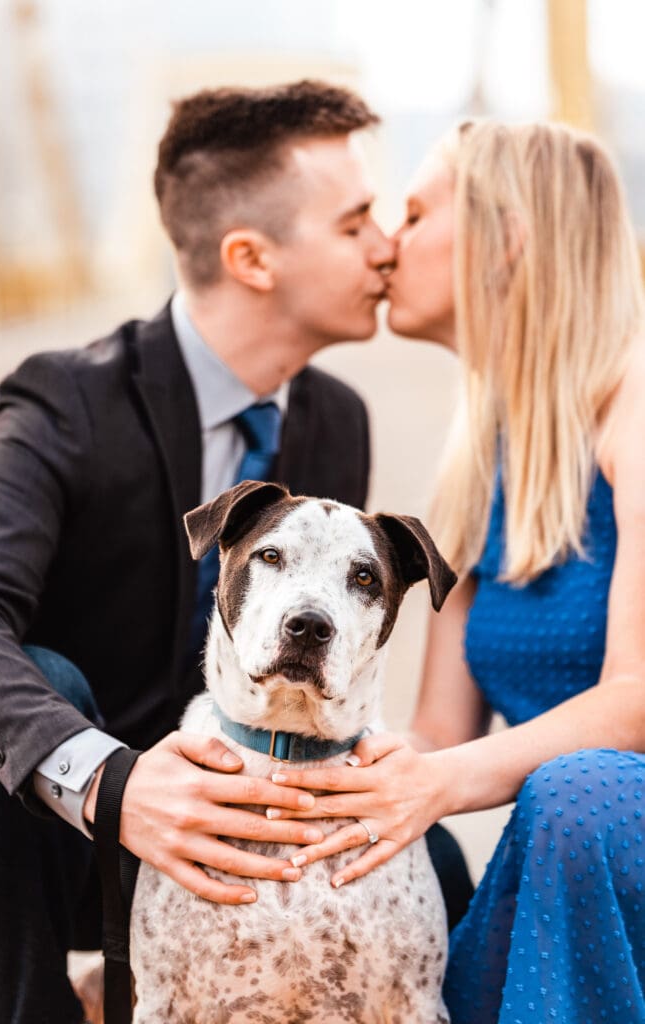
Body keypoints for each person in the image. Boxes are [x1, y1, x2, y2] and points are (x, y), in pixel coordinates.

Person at [0, 80, 400, 1024]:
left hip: (253, 814)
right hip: (63, 839)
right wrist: (110, 784)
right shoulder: (62, 403)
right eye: (356, 221)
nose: (386, 245)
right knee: (26, 682)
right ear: (251, 257)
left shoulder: (336, 419)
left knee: (428, 859)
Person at [268, 119, 645, 1022]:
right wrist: (330, 782)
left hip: (596, 819)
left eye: (415, 211)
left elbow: (635, 701)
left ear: (504, 235)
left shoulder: (635, 404)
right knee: (389, 842)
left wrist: (432, 784)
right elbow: (438, 728)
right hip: (564, 831)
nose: (388, 242)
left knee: (576, 793)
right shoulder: (482, 457)